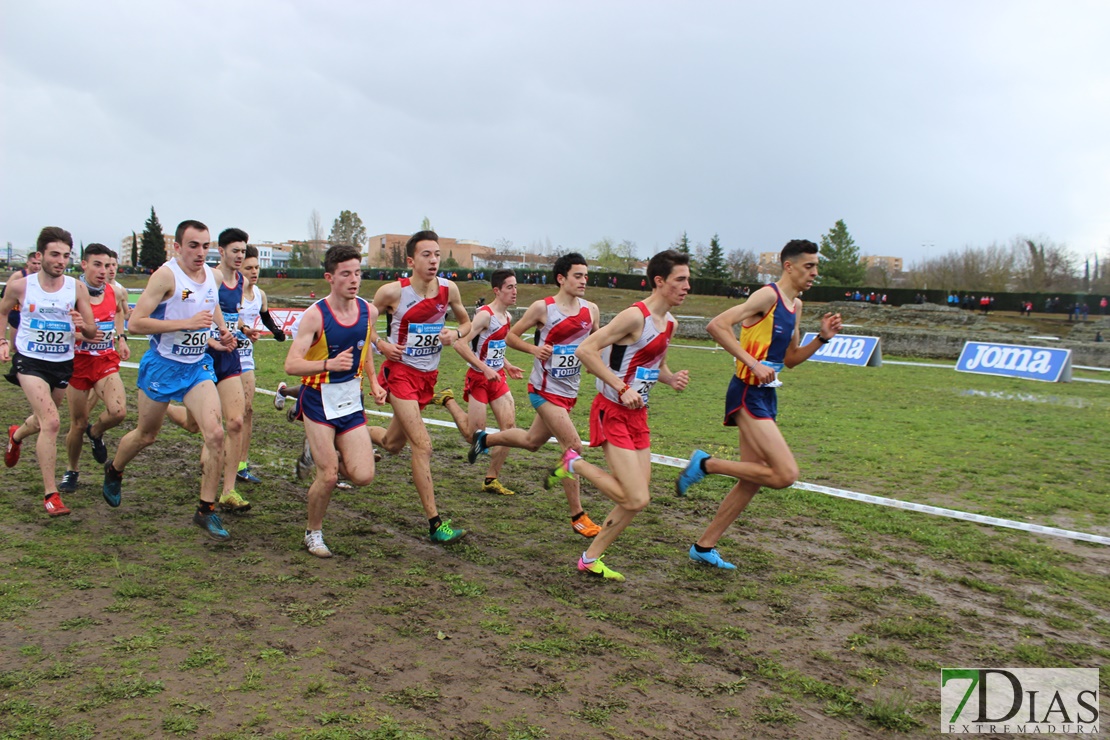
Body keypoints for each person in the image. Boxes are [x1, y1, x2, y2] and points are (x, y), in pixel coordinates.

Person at [675, 239, 843, 569]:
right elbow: (717, 325)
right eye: (809, 266)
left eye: (816, 267)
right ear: (789, 266)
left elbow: (790, 359)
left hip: (768, 394)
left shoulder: (796, 306)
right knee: (784, 474)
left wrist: (822, 338)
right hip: (747, 392)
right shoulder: (768, 296)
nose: (815, 273)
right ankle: (707, 464)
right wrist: (752, 362)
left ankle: (704, 546)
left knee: (752, 479)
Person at [539, 249, 691, 582]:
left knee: (636, 500)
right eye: (680, 279)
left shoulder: (671, 323)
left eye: (688, 279)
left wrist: (670, 378)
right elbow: (586, 350)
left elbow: (654, 365)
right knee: (635, 496)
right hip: (612, 411)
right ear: (660, 281)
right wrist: (622, 388)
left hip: (639, 416)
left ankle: (590, 558)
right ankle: (573, 464)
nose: (687, 286)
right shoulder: (634, 316)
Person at [102, 220, 238, 541]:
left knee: (215, 434)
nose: (200, 252)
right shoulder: (166, 276)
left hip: (196, 367)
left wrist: (220, 330)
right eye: (193, 245)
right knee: (146, 435)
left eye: (205, 245)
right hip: (162, 366)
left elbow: (210, 300)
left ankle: (206, 510)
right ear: (177, 247)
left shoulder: (212, 276)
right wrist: (186, 323)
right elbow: (136, 323)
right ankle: (115, 469)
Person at [467, 252, 603, 538]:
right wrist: (533, 350)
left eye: (586, 276)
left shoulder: (591, 310)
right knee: (573, 446)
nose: (583, 281)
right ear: (561, 278)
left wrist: (594, 362)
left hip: (569, 391)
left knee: (531, 442)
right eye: (578, 276)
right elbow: (510, 336)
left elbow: (596, 342)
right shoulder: (544, 308)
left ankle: (485, 439)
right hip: (543, 390)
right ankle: (578, 515)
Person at [368, 230, 473, 543]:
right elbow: (364, 323)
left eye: (437, 254)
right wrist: (382, 345)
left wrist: (456, 334)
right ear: (411, 260)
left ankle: (346, 434)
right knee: (423, 445)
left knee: (391, 443)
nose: (434, 260)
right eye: (426, 254)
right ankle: (435, 524)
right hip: (400, 374)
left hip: (428, 377)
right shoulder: (392, 293)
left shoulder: (449, 289)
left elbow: (466, 323)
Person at [285, 244, 386, 557]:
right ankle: (313, 532)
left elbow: (365, 345)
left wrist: (372, 380)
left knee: (363, 476)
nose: (354, 280)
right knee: (328, 475)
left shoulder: (369, 310)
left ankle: (323, 452)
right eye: (346, 274)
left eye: (358, 273)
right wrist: (328, 364)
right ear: (330, 277)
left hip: (350, 400)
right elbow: (291, 365)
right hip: (317, 400)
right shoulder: (315, 316)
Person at [1, 227, 100, 516]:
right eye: (55, 254)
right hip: (29, 361)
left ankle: (16, 435)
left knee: (44, 420)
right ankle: (51, 494)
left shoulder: (76, 288)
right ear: (40, 255)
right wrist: (3, 340)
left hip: (62, 362)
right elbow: (3, 311)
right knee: (53, 422)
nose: (60, 260)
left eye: (66, 255)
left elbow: (92, 331)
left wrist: (82, 324)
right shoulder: (21, 286)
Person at [163, 228, 252, 512]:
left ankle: (228, 491)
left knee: (236, 421)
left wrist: (238, 331)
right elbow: (190, 309)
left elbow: (231, 317)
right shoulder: (210, 277)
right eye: (235, 251)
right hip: (202, 354)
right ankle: (164, 407)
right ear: (221, 251)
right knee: (193, 424)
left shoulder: (242, 281)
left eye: (243, 251)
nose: (240, 256)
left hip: (228, 356)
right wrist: (212, 338)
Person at [59, 244, 131, 493]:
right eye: (97, 265)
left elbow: (120, 313)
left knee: (119, 411)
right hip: (77, 364)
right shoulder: (69, 293)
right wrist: (79, 334)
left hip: (104, 361)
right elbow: (58, 327)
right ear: (84, 265)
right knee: (77, 424)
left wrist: (121, 338)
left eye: (108, 265)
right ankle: (72, 470)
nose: (103, 270)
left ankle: (96, 432)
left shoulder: (114, 291)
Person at [452, 269, 525, 495]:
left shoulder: (508, 317)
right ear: (497, 290)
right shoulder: (485, 315)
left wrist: (507, 364)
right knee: (473, 435)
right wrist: (484, 369)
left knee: (509, 430)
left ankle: (491, 478)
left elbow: (494, 347)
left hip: (497, 378)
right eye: (509, 287)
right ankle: (447, 401)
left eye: (515, 287)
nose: (515, 292)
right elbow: (460, 344)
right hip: (479, 378)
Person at [234, 244, 286, 483]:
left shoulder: (260, 294)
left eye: (256, 267)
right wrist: (243, 329)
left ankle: (241, 464)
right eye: (248, 268)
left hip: (245, 357)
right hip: (224, 355)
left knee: (248, 410)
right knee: (211, 418)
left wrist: (276, 331)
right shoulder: (230, 292)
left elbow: (265, 315)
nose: (254, 272)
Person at [3, 250, 43, 333]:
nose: (37, 266)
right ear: (28, 263)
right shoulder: (19, 275)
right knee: (14, 345)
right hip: (17, 312)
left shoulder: (42, 277)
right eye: (34, 263)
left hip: (34, 313)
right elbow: (5, 293)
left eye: (39, 264)